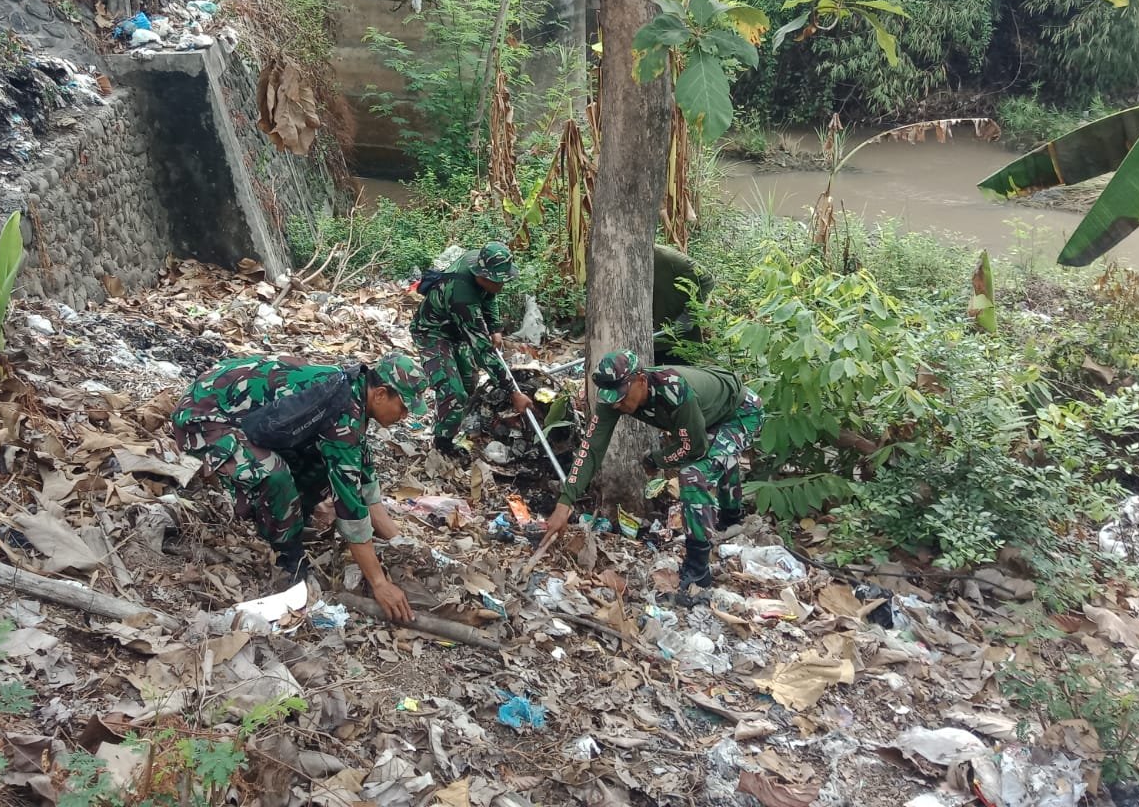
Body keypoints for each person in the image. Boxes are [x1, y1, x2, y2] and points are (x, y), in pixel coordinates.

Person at [169, 351, 427, 622]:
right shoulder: (343, 409)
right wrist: (380, 584)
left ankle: (288, 518)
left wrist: (401, 544)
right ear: (381, 394)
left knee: (319, 464)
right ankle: (288, 558)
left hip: (242, 415)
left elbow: (364, 483)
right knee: (274, 473)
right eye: (404, 407)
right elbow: (350, 508)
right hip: (203, 416)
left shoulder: (353, 395)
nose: (405, 416)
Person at [540, 349, 764, 598]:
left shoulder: (674, 390)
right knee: (716, 455)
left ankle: (698, 569)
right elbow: (591, 448)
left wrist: (657, 459)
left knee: (694, 475)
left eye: (622, 397)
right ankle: (732, 517)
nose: (617, 404)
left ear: (641, 380)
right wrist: (565, 502)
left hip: (739, 413)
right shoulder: (613, 400)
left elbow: (695, 447)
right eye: (612, 398)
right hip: (707, 416)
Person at [412, 240, 533, 461]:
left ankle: (452, 426)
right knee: (453, 391)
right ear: (482, 277)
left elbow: (490, 297)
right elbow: (482, 350)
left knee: (469, 382)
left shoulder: (479, 259)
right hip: (433, 332)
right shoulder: (462, 295)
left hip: (457, 331)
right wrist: (512, 391)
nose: (502, 286)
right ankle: (443, 445)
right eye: (499, 282)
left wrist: (495, 328)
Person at [653, 243, 715, 361]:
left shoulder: (665, 257)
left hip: (679, 341)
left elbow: (706, 280)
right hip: (651, 343)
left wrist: (689, 315)